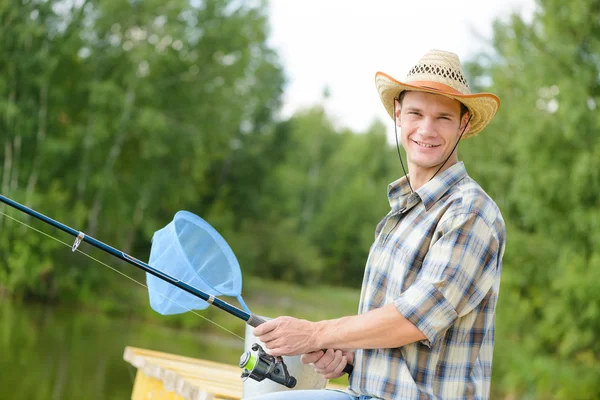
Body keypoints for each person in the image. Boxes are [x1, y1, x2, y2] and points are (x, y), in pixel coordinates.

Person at [247, 49, 506, 400]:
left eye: (443, 117)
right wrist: (351, 356)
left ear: (462, 124)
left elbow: (411, 320)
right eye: (416, 113)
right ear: (398, 114)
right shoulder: (402, 211)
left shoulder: (470, 212)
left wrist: (315, 334)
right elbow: (395, 336)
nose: (426, 129)